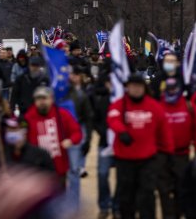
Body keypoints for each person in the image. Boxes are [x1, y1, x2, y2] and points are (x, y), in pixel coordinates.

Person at [107, 74, 174, 219]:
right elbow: (112, 118)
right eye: (133, 86)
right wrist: (121, 131)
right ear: (127, 88)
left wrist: (168, 152)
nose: (136, 90)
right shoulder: (120, 104)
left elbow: (164, 129)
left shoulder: (154, 106)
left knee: (147, 195)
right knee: (126, 196)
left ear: (144, 88)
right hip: (125, 160)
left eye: (139, 86)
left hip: (147, 160)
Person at [24, 86, 82, 186]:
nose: (41, 102)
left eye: (44, 98)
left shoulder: (62, 115)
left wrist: (70, 140)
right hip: (37, 169)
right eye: (38, 99)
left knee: (59, 199)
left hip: (58, 168)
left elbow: (77, 132)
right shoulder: (28, 118)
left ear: (51, 99)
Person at [158, 77, 195, 219]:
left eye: (174, 88)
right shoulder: (159, 106)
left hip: (182, 154)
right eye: (169, 88)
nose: (171, 91)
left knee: (181, 188)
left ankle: (178, 214)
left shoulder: (188, 106)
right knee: (164, 190)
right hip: (162, 155)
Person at [91, 71, 119, 219]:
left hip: (122, 145)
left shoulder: (124, 101)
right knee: (102, 174)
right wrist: (103, 132)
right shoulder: (103, 101)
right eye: (110, 83)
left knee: (122, 178)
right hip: (104, 144)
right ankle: (104, 206)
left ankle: (117, 206)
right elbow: (95, 119)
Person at [66, 65, 93, 182]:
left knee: (82, 146)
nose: (74, 77)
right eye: (72, 75)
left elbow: (90, 109)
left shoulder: (86, 87)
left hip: (81, 122)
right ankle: (76, 166)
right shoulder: (66, 89)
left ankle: (80, 166)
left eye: (76, 75)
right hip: (69, 123)